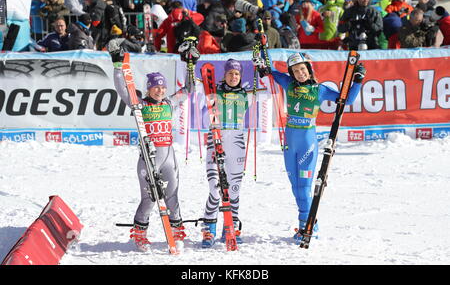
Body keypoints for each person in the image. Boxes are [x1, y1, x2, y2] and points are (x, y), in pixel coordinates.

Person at [253, 52, 366, 243]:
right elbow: (270, 71)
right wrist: (262, 67)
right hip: (290, 142)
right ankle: (308, 223)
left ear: (309, 70)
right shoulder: (288, 83)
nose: (300, 74)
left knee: (305, 186)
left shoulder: (319, 90)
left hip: (307, 142)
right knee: (295, 187)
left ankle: (308, 226)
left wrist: (358, 81)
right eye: (296, 71)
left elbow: (346, 100)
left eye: (303, 70)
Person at [107, 39, 186, 253]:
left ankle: (177, 233)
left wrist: (190, 64)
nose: (159, 91)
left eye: (162, 87)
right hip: (148, 159)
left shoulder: (170, 102)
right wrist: (117, 65)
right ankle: (140, 235)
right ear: (148, 89)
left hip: (169, 159)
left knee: (172, 197)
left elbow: (189, 90)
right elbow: (123, 88)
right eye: (155, 88)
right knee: (149, 199)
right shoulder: (139, 105)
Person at [197, 58, 251, 248]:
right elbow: (204, 117)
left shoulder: (246, 94)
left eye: (237, 74)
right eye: (230, 73)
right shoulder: (214, 93)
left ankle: (231, 227)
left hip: (236, 142)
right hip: (216, 141)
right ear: (224, 75)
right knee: (214, 189)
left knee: (234, 190)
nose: (234, 76)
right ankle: (209, 229)